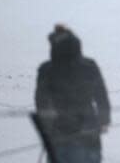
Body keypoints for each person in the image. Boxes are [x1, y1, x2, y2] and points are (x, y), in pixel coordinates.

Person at [35, 25, 111, 162]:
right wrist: (104, 119)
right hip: (89, 131)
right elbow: (101, 95)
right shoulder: (89, 65)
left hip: (60, 134)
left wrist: (48, 126)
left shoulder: (46, 70)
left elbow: (41, 102)